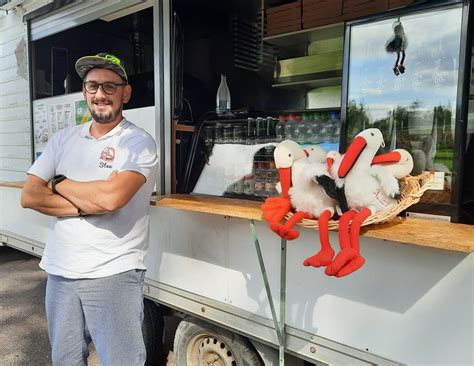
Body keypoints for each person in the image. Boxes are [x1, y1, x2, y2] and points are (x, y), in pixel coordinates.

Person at [21, 53, 158, 366]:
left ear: (126, 93)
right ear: (84, 92)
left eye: (110, 87)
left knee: (121, 361)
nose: (100, 94)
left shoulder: (137, 142)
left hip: (113, 270)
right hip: (60, 272)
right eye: (93, 86)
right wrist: (86, 205)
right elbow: (29, 195)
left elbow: (111, 199)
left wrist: (58, 183)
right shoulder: (62, 139)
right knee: (65, 360)